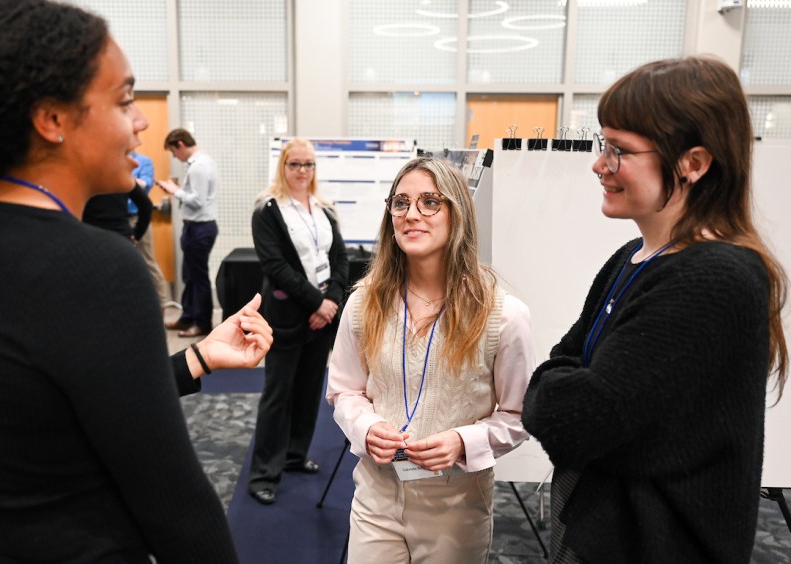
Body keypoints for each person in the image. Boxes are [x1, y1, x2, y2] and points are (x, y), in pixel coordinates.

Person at [0, 1, 272, 562]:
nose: (142, 121)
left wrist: (196, 359)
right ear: (52, 118)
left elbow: (53, 416)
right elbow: (176, 502)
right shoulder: (93, 265)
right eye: (125, 100)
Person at [521, 57, 788, 563]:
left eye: (619, 150)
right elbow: (568, 368)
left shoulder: (714, 280)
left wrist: (555, 388)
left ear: (693, 162)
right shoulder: (632, 259)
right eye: (604, 145)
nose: (600, 165)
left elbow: (579, 418)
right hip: (603, 532)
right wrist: (563, 385)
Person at [326, 157, 535, 563]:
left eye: (430, 202)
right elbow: (344, 390)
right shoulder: (363, 304)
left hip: (455, 504)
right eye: (400, 203)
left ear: (457, 214)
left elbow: (520, 414)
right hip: (376, 493)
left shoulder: (503, 314)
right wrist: (367, 428)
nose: (411, 215)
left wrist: (463, 441)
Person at [247, 138, 350, 505]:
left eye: (308, 165)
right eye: (295, 164)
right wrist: (317, 303)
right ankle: (264, 472)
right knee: (278, 395)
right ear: (283, 166)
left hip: (321, 318)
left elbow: (339, 257)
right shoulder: (268, 210)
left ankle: (293, 455)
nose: (302, 171)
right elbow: (275, 266)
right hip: (288, 316)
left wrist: (333, 300)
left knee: (308, 390)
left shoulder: (324, 208)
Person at [156, 128, 218, 338]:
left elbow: (198, 201)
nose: (175, 157)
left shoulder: (199, 166)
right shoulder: (198, 164)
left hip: (200, 227)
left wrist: (175, 191)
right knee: (189, 275)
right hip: (193, 227)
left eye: (174, 152)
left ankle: (202, 323)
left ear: (180, 144)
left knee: (198, 277)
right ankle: (188, 317)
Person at [129, 150, 171, 310]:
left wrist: (119, 173)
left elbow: (145, 184)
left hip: (138, 217)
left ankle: (161, 309)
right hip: (118, 218)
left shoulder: (143, 161)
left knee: (148, 262)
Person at [82, 182, 152, 242]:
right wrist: (137, 235)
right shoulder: (122, 177)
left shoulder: (86, 176)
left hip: (92, 235)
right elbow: (146, 205)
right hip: (121, 236)